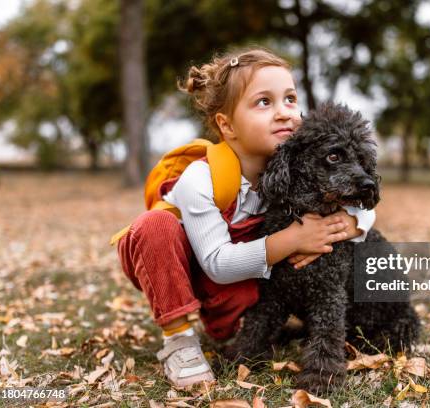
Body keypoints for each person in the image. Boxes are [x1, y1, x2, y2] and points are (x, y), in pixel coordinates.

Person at [116, 47, 376, 387]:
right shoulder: (201, 178)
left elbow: (355, 197)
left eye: (290, 99)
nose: (284, 113)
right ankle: (178, 339)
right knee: (155, 225)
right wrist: (293, 240)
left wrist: (355, 223)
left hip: (233, 278)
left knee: (263, 296)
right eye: (264, 102)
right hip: (176, 263)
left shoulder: (293, 168)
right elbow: (217, 263)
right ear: (226, 125)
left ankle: (229, 324)